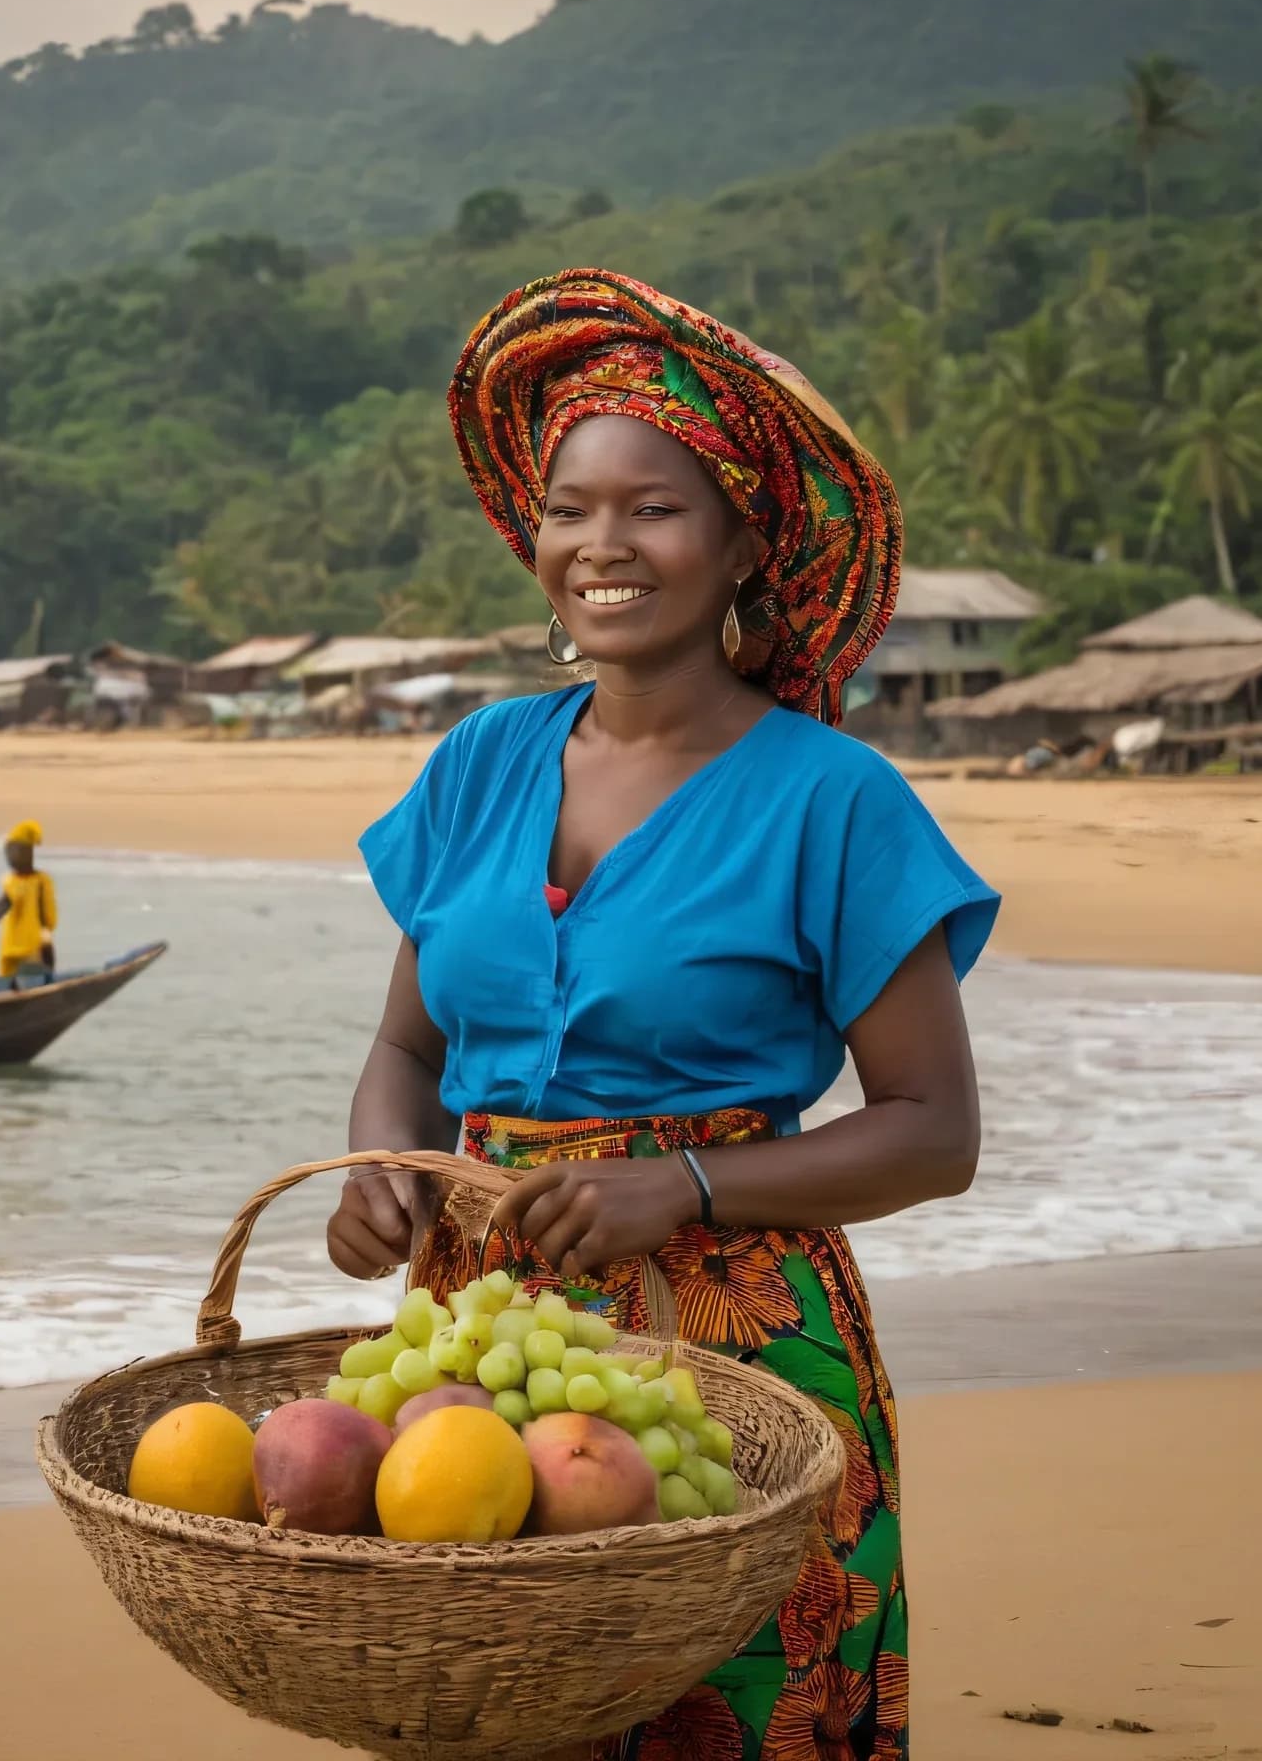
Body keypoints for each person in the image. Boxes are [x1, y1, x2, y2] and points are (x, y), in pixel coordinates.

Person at [326, 270, 998, 1760]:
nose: (601, 546)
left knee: (734, 1718)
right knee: (491, 1715)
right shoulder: (482, 763)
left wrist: (679, 1187)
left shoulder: (833, 800)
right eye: (570, 508)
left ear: (745, 538)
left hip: (738, 1368)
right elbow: (409, 1051)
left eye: (655, 508)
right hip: (476, 1351)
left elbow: (932, 1134)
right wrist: (384, 1169)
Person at [0, 820, 57, 980]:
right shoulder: (41, 881)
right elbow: (50, 918)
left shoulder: (9, 881)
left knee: (12, 985)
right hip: (31, 951)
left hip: (10, 950)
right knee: (35, 982)